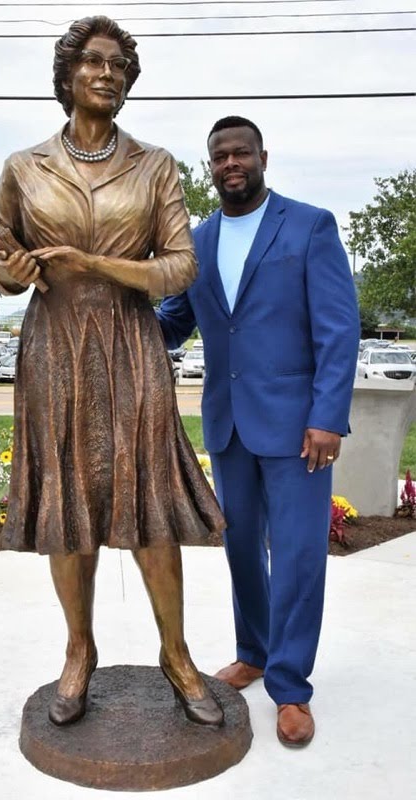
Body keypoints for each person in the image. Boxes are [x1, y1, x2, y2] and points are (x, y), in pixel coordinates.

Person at [0, 16, 225, 727]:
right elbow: (0, 263)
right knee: (69, 503)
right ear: (66, 76)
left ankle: (176, 655)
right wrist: (8, 269)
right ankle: (78, 652)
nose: (108, 72)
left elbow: (181, 265)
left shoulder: (155, 165)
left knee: (148, 499)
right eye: (94, 61)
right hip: (54, 348)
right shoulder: (23, 167)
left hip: (130, 344)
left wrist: (94, 264)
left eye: (120, 64)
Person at [157, 115, 360, 746]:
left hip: (300, 428)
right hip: (230, 426)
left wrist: (327, 416)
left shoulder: (309, 225)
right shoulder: (197, 241)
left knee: (298, 555)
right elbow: (170, 324)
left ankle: (292, 688)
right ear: (210, 165)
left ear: (262, 156)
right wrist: (110, 298)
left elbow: (338, 329)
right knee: (242, 549)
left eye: (241, 152)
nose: (230, 164)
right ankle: (254, 651)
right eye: (219, 156)